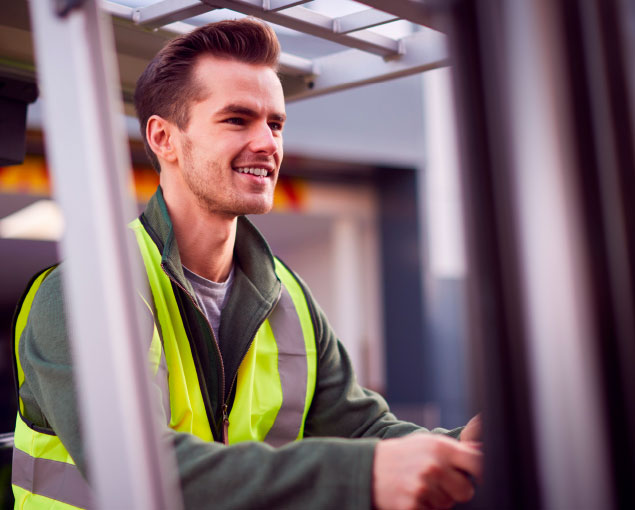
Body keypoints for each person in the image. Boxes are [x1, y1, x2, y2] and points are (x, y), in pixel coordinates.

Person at [12, 18, 482, 510]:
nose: (268, 143)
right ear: (163, 138)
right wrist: (359, 476)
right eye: (237, 119)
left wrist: (458, 448)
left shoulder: (287, 296)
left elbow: (362, 428)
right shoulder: (85, 293)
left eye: (275, 123)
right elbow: (138, 469)